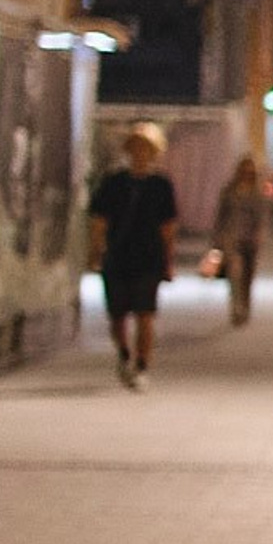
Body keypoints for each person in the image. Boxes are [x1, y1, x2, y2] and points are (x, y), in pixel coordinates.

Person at [88, 122, 178, 386]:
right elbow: (99, 220)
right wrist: (95, 251)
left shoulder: (161, 185)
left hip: (149, 256)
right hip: (117, 255)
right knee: (117, 315)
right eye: (136, 147)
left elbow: (168, 227)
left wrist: (168, 261)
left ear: (154, 152)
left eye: (146, 148)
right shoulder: (114, 182)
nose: (140, 153)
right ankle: (124, 352)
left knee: (145, 313)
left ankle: (142, 364)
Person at [213, 155, 267, 325]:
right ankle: (236, 307)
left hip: (249, 240)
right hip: (231, 238)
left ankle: (245, 304)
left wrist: (259, 235)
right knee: (234, 274)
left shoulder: (256, 193)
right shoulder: (229, 191)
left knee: (247, 276)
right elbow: (220, 216)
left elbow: (261, 217)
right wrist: (217, 240)